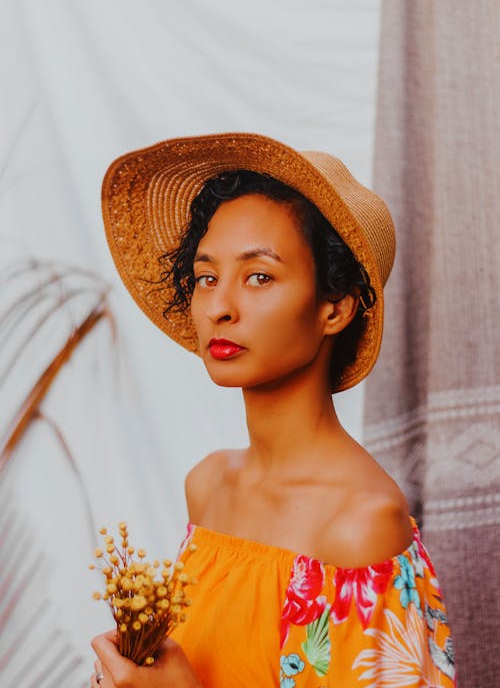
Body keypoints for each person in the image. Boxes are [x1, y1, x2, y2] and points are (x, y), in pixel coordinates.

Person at [92, 133, 455, 687]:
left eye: (259, 276)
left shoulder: (360, 528)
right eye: (207, 276)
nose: (220, 307)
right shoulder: (208, 485)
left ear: (334, 308)